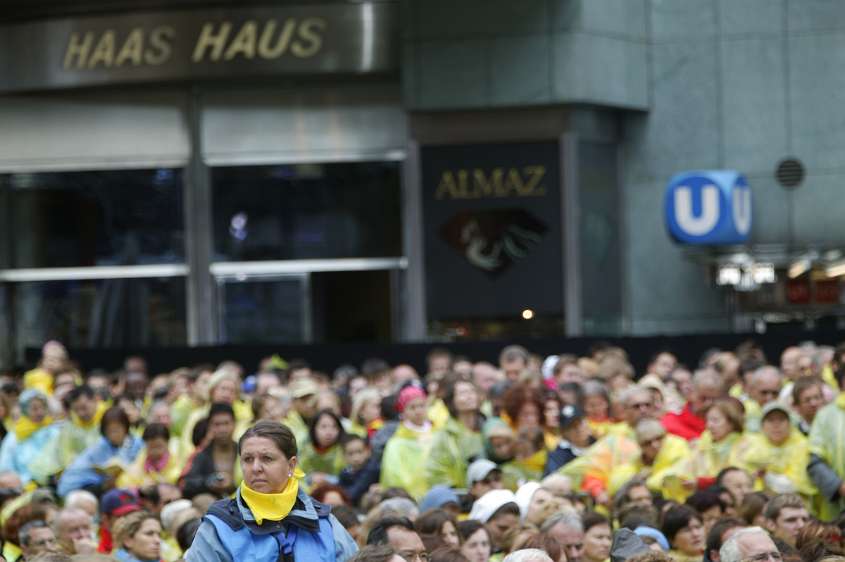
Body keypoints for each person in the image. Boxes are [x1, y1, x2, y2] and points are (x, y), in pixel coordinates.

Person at [185, 420, 357, 561]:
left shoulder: (324, 523)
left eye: (267, 458)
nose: (255, 467)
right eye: (248, 459)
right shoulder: (219, 526)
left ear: (291, 465)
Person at [57, 406, 143, 497]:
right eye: (109, 432)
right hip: (88, 487)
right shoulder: (101, 447)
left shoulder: (137, 444)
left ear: (126, 428)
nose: (114, 435)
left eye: (117, 430)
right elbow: (82, 469)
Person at [739, 403, 815, 496]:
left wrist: (766, 475)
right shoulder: (750, 444)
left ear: (790, 424)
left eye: (781, 420)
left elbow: (794, 485)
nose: (776, 425)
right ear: (762, 425)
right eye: (770, 420)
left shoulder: (802, 445)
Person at [425, 378, 484, 489]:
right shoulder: (445, 435)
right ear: (451, 401)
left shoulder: (488, 427)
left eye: (472, 391)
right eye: (463, 393)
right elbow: (436, 471)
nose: (469, 396)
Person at [381, 386, 434, 500]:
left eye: (421, 406)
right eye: (412, 407)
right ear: (403, 412)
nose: (418, 411)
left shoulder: (438, 433)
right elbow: (393, 474)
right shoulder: (397, 442)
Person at [179, 403, 241, 499]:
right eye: (217, 424)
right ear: (210, 426)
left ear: (234, 424)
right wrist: (209, 482)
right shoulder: (201, 455)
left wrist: (232, 484)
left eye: (226, 423)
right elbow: (186, 484)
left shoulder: (244, 452)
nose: (222, 429)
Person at [0, 389, 57, 485]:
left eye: (43, 407)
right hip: (23, 486)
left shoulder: (54, 432)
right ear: (24, 410)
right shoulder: (14, 437)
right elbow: (5, 469)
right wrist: (25, 481)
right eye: (34, 409)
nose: (40, 412)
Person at [661, 370, 724, 441]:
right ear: (690, 393)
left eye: (714, 400)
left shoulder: (725, 425)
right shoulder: (669, 424)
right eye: (703, 398)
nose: (708, 404)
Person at [118, 424, 181, 488]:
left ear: (167, 443)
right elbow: (124, 481)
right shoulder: (140, 460)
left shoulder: (175, 463)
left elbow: (177, 479)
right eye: (151, 447)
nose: (155, 451)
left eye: (158, 446)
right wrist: (141, 486)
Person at [544, 405, 594, 476]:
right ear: (564, 433)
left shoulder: (601, 443)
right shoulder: (557, 456)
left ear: (587, 421)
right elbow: (552, 478)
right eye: (571, 426)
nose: (578, 429)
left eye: (580, 423)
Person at [298, 409, 346, 478]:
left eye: (334, 426)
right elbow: (299, 475)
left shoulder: (344, 450)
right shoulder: (304, 449)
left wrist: (327, 478)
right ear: (314, 429)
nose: (329, 432)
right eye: (323, 427)